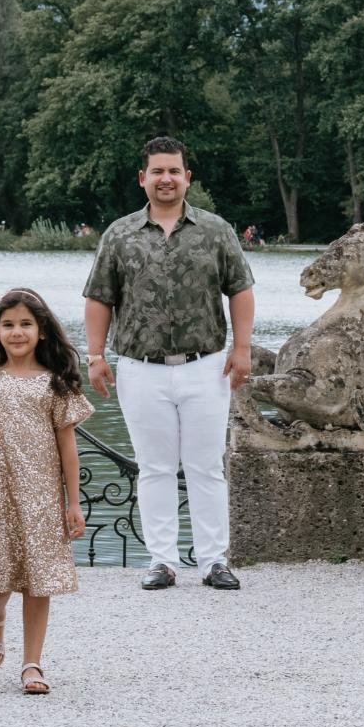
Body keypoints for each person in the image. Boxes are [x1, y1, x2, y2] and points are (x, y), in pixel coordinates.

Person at [82, 136, 254, 591]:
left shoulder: (216, 231)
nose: (166, 179)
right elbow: (99, 297)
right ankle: (162, 561)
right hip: (140, 368)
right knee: (154, 467)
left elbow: (240, 289)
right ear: (143, 179)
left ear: (187, 178)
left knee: (206, 466)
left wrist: (243, 350)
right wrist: (95, 355)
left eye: (174, 171)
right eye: (157, 171)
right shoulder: (119, 235)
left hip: (206, 365)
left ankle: (214, 560)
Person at [0, 288, 90, 695]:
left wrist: (73, 503)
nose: (17, 332)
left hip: (42, 496)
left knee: (37, 579)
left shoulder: (56, 385)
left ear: (42, 331)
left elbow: (68, 449)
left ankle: (32, 663)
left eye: (26, 324)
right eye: (8, 325)